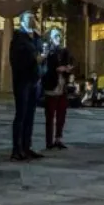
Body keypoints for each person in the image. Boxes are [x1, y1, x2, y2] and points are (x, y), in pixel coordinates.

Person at [8, 13, 42, 161]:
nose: (32, 20)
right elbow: (17, 60)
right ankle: (17, 148)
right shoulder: (18, 38)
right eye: (29, 18)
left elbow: (40, 50)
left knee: (30, 114)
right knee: (21, 114)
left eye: (33, 17)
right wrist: (34, 60)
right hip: (23, 80)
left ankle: (27, 146)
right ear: (22, 21)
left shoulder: (34, 37)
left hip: (34, 79)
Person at [40, 28, 72, 151]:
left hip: (62, 86)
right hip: (51, 86)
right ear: (50, 38)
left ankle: (58, 138)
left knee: (61, 114)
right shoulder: (48, 51)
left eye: (59, 35)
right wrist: (58, 68)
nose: (58, 38)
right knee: (50, 115)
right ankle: (49, 141)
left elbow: (70, 62)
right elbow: (47, 67)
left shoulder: (64, 51)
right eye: (55, 36)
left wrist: (67, 68)